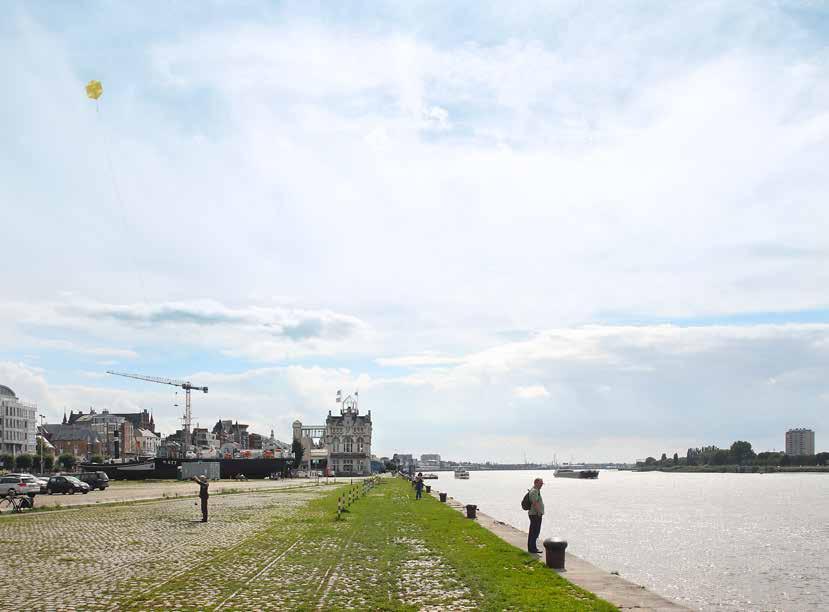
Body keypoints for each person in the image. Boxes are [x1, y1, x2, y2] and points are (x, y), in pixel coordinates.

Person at [527, 477, 544, 553]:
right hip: (535, 514)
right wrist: (539, 512)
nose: (541, 485)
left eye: (542, 483)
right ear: (536, 483)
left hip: (535, 514)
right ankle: (532, 548)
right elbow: (534, 503)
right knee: (535, 531)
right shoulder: (534, 491)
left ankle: (532, 548)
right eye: (540, 483)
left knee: (534, 531)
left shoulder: (536, 490)